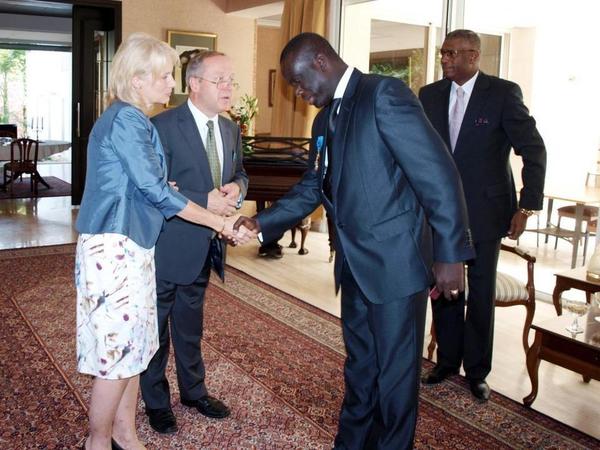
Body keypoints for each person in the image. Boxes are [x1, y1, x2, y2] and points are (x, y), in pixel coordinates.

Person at [235, 32, 475, 450]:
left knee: (396, 379)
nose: (299, 92)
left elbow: (438, 174)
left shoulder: (384, 94)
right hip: (353, 266)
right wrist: (263, 223)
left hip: (396, 266)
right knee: (360, 368)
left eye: (299, 81)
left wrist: (451, 255)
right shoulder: (324, 119)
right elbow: (315, 186)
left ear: (322, 61)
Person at [74, 33, 254, 450]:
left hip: (133, 244)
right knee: (117, 356)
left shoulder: (132, 119)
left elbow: (146, 184)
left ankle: (125, 433)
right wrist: (219, 222)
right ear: (138, 80)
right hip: (115, 247)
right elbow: (156, 191)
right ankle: (97, 442)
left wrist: (165, 187)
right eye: (164, 75)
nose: (171, 83)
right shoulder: (126, 120)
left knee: (135, 348)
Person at [419, 29, 546, 402]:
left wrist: (527, 206)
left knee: (480, 293)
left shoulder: (503, 94)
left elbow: (534, 150)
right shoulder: (429, 96)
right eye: (442, 53)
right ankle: (446, 362)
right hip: (441, 212)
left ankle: (477, 371)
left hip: (489, 211)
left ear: (473, 57)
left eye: (451, 54)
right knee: (444, 287)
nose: (444, 59)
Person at [139, 50, 248, 434]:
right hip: (167, 244)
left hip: (206, 247)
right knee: (156, 328)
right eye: (220, 80)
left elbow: (240, 173)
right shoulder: (161, 126)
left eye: (231, 80)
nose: (228, 88)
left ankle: (194, 391)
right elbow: (154, 188)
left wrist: (237, 187)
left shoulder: (231, 129)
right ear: (194, 84)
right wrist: (205, 199)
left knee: (190, 325)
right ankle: (155, 402)